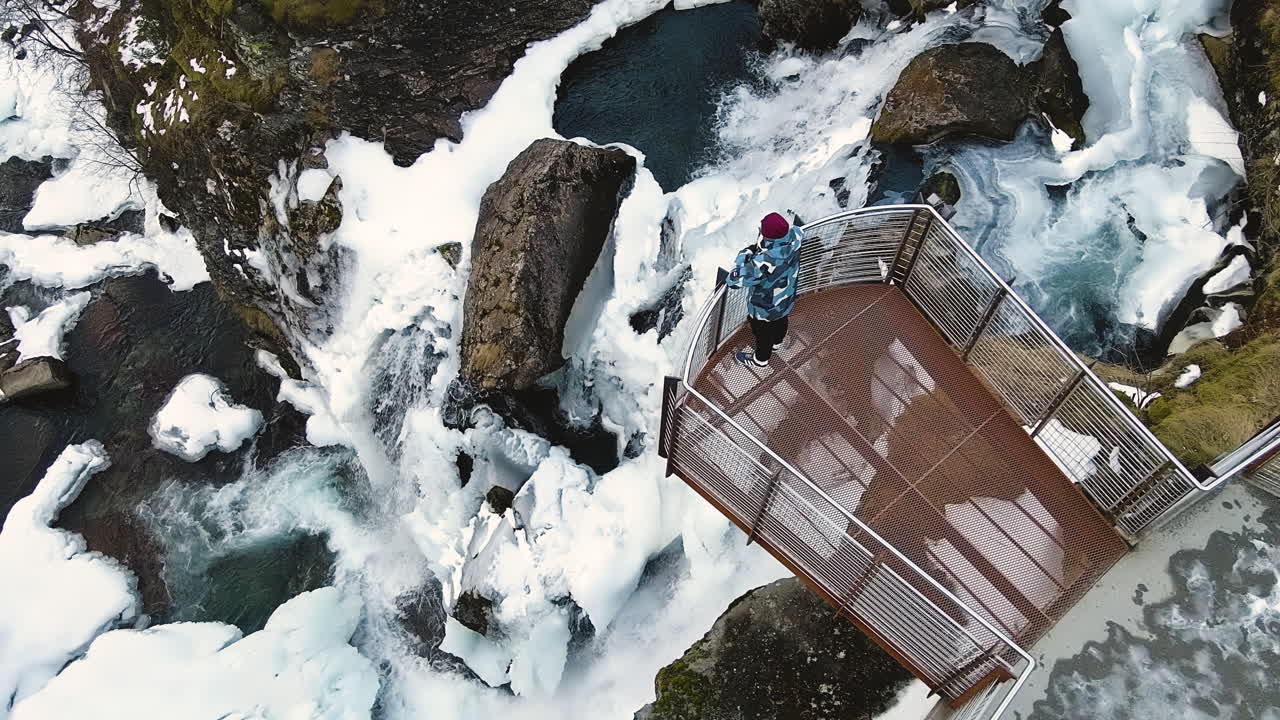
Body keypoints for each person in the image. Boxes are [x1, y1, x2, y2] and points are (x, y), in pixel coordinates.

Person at [727, 212, 804, 369]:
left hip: (765, 307)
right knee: (782, 320)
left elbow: (733, 281)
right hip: (786, 299)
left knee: (763, 333)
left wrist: (746, 254)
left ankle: (760, 359)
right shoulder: (796, 238)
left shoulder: (763, 261)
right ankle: (777, 342)